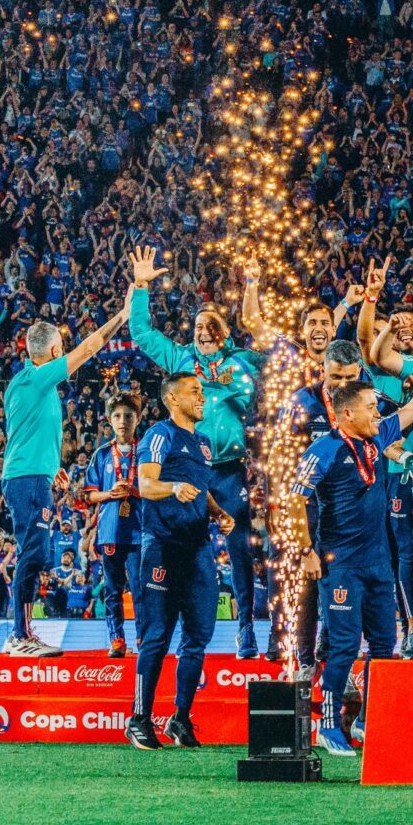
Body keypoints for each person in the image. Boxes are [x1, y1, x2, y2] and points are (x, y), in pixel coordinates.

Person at [299, 371, 413, 754]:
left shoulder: (376, 437)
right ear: (347, 414)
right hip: (341, 565)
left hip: (378, 562)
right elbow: (291, 499)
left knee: (386, 645)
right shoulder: (324, 449)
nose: (377, 412)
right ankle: (329, 727)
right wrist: (306, 551)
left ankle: (369, 721)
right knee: (345, 645)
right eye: (370, 407)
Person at [127, 247, 265, 658]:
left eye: (212, 325)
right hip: (188, 473)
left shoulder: (243, 361)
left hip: (229, 471)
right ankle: (164, 632)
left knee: (240, 548)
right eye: (198, 325)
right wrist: (140, 287)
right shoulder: (181, 359)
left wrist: (253, 286)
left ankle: (246, 630)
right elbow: (141, 333)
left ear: (226, 331)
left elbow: (278, 353)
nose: (204, 330)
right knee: (183, 545)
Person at [0, 295, 130, 656]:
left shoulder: (23, 383)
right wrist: (122, 314)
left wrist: (50, 465)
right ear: (54, 349)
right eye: (62, 347)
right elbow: (91, 347)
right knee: (34, 551)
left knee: (34, 551)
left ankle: (21, 632)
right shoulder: (39, 377)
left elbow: (26, 431)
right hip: (26, 480)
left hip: (31, 475)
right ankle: (19, 635)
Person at [126, 373, 236, 750]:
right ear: (173, 399)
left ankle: (180, 719)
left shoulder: (203, 444)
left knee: (197, 638)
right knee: (157, 635)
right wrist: (172, 487)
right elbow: (145, 485)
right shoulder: (160, 434)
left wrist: (218, 511)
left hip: (198, 547)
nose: (201, 397)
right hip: (162, 546)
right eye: (194, 392)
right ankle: (139, 719)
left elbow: (199, 490)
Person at [82, 398, 144, 659]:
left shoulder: (146, 452)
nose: (122, 421)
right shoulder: (102, 454)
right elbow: (89, 496)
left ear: (137, 419)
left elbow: (157, 492)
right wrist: (109, 494)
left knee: (141, 590)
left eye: (128, 416)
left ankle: (144, 638)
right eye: (117, 416)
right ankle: (117, 639)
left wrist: (133, 490)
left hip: (140, 531)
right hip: (110, 531)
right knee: (112, 590)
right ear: (109, 420)